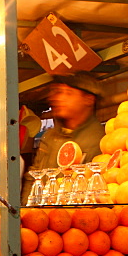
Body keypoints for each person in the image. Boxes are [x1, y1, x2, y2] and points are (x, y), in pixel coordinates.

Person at [22, 72, 106, 202]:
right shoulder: (49, 136)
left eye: (68, 93)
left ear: (88, 99)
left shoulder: (100, 141)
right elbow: (32, 177)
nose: (58, 98)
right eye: (58, 92)